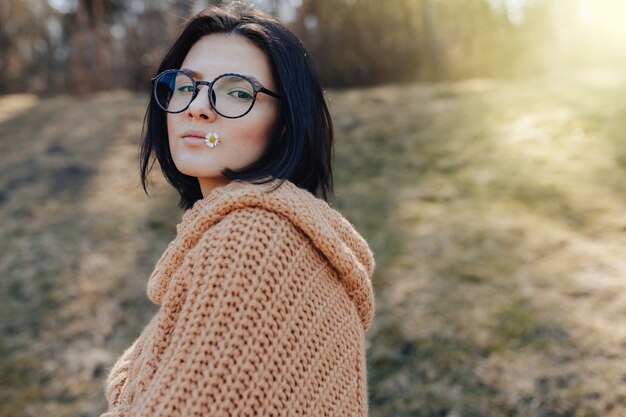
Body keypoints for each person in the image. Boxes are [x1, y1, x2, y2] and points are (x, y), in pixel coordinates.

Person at [100, 3, 375, 416]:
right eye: (186, 86)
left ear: (284, 123)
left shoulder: (252, 242)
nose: (198, 107)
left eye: (237, 92)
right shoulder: (272, 234)